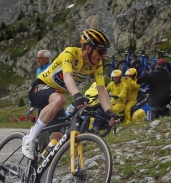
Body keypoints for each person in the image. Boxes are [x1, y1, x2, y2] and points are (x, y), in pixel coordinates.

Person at [23, 29, 120, 160]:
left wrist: (108, 111)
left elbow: (101, 89)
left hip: (54, 98)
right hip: (39, 88)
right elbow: (68, 76)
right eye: (101, 51)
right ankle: (30, 138)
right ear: (87, 48)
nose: (103, 56)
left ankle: (40, 176)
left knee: (57, 144)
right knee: (60, 99)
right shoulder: (70, 53)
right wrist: (77, 96)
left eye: (105, 52)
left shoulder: (97, 65)